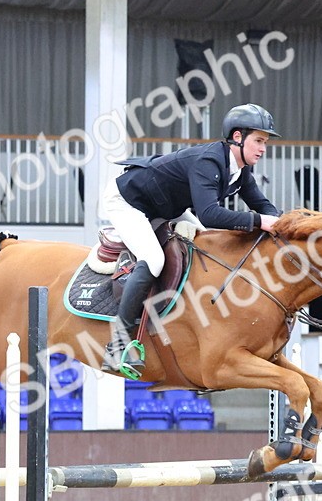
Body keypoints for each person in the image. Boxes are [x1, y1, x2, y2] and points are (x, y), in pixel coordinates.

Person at [99, 103, 282, 376]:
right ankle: (117, 344)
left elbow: (262, 204)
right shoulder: (209, 162)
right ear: (237, 137)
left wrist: (282, 224)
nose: (263, 148)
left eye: (265, 142)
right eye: (258, 140)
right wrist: (258, 221)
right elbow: (209, 214)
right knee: (154, 259)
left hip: (166, 207)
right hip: (129, 201)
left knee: (206, 243)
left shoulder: (240, 170)